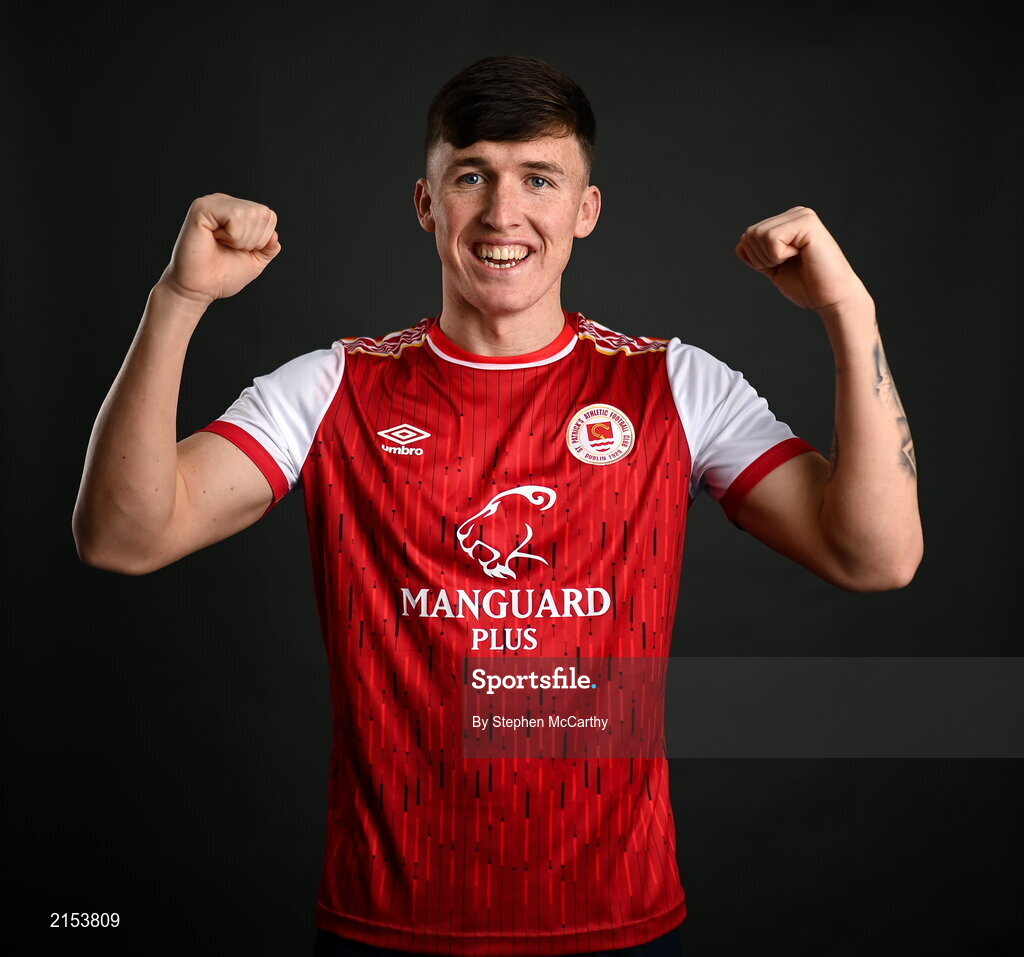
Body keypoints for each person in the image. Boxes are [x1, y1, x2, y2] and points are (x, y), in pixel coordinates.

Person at [72, 55, 923, 957]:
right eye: (471, 175)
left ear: (584, 211)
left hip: (615, 923)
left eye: (539, 179)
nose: (503, 212)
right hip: (390, 923)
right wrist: (180, 297)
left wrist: (850, 311)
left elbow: (877, 556)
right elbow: (124, 538)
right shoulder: (335, 387)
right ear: (426, 203)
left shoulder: (674, 385)